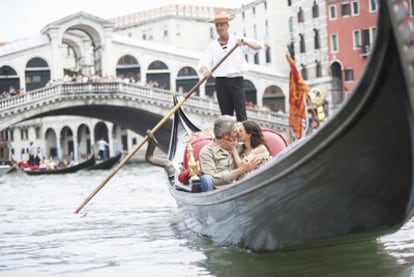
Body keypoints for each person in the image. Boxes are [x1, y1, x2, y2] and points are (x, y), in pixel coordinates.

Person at [200, 15, 262, 122]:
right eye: (217, 25)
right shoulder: (212, 46)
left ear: (227, 26)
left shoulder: (238, 41)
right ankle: (228, 137)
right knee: (226, 115)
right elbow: (204, 61)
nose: (219, 28)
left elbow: (259, 46)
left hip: (236, 80)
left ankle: (243, 135)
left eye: (222, 25)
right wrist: (205, 70)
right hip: (220, 82)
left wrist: (245, 41)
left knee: (241, 113)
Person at [198, 115, 261, 192]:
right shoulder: (207, 152)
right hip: (219, 192)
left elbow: (257, 146)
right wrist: (241, 170)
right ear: (226, 135)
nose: (237, 133)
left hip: (244, 188)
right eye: (234, 131)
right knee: (206, 178)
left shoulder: (240, 147)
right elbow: (212, 179)